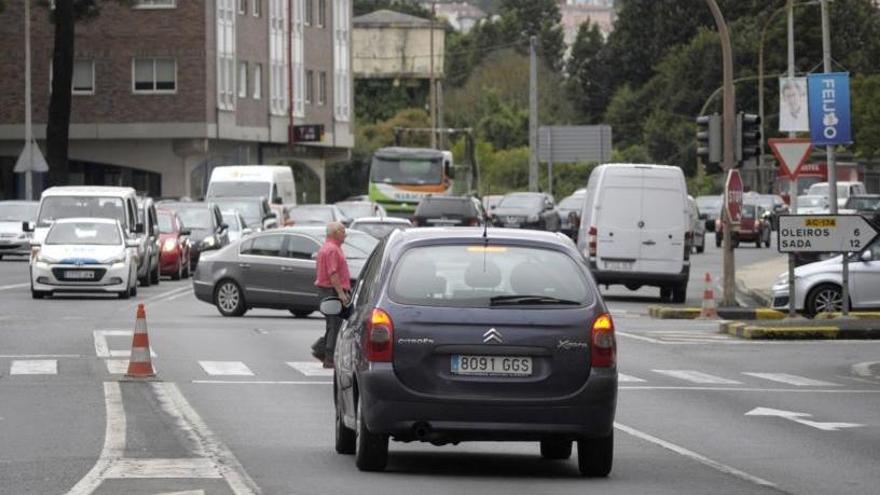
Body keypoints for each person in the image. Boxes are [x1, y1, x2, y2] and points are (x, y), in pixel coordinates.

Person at [311, 221, 351, 368]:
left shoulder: (328, 248)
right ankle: (329, 357)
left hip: (327, 291)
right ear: (335, 233)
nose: (345, 234)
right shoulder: (332, 250)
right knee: (335, 325)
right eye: (343, 231)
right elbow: (333, 273)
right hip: (331, 291)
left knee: (332, 324)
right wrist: (341, 293)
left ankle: (320, 350)